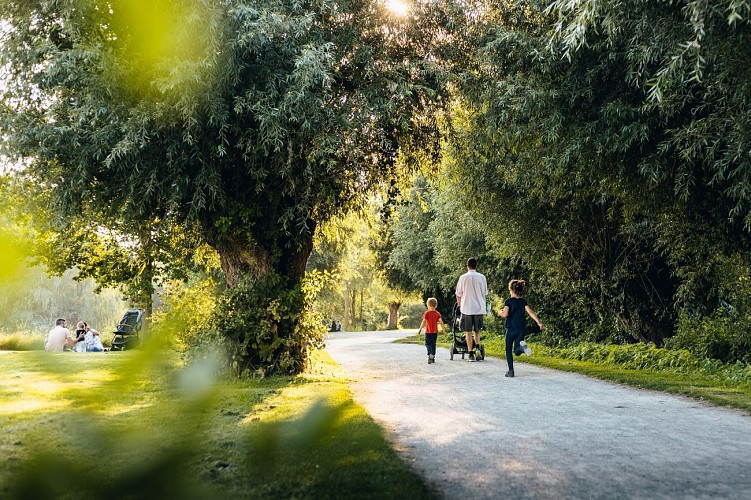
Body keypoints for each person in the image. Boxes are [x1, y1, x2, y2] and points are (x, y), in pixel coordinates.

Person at [500, 279, 544, 378]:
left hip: (511, 329)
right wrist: (539, 322)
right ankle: (522, 348)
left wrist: (500, 312)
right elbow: (530, 312)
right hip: (521, 329)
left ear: (511, 289)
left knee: (508, 349)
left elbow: (505, 314)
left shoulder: (508, 301)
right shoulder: (523, 301)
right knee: (516, 351)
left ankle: (511, 371)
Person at [455, 258, 488, 361]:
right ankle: (477, 348)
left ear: (467, 266)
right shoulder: (482, 277)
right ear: (476, 265)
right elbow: (485, 293)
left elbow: (458, 294)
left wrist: (460, 305)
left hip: (467, 308)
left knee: (468, 331)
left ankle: (470, 354)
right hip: (479, 308)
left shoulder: (463, 277)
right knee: (477, 330)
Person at [417, 297, 446, 364]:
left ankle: (430, 354)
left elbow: (423, 322)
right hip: (435, 332)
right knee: (433, 344)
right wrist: (444, 331)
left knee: (427, 344)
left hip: (428, 332)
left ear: (428, 305)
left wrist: (420, 329)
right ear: (435, 305)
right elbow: (441, 322)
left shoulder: (427, 313)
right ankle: (432, 355)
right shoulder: (437, 313)